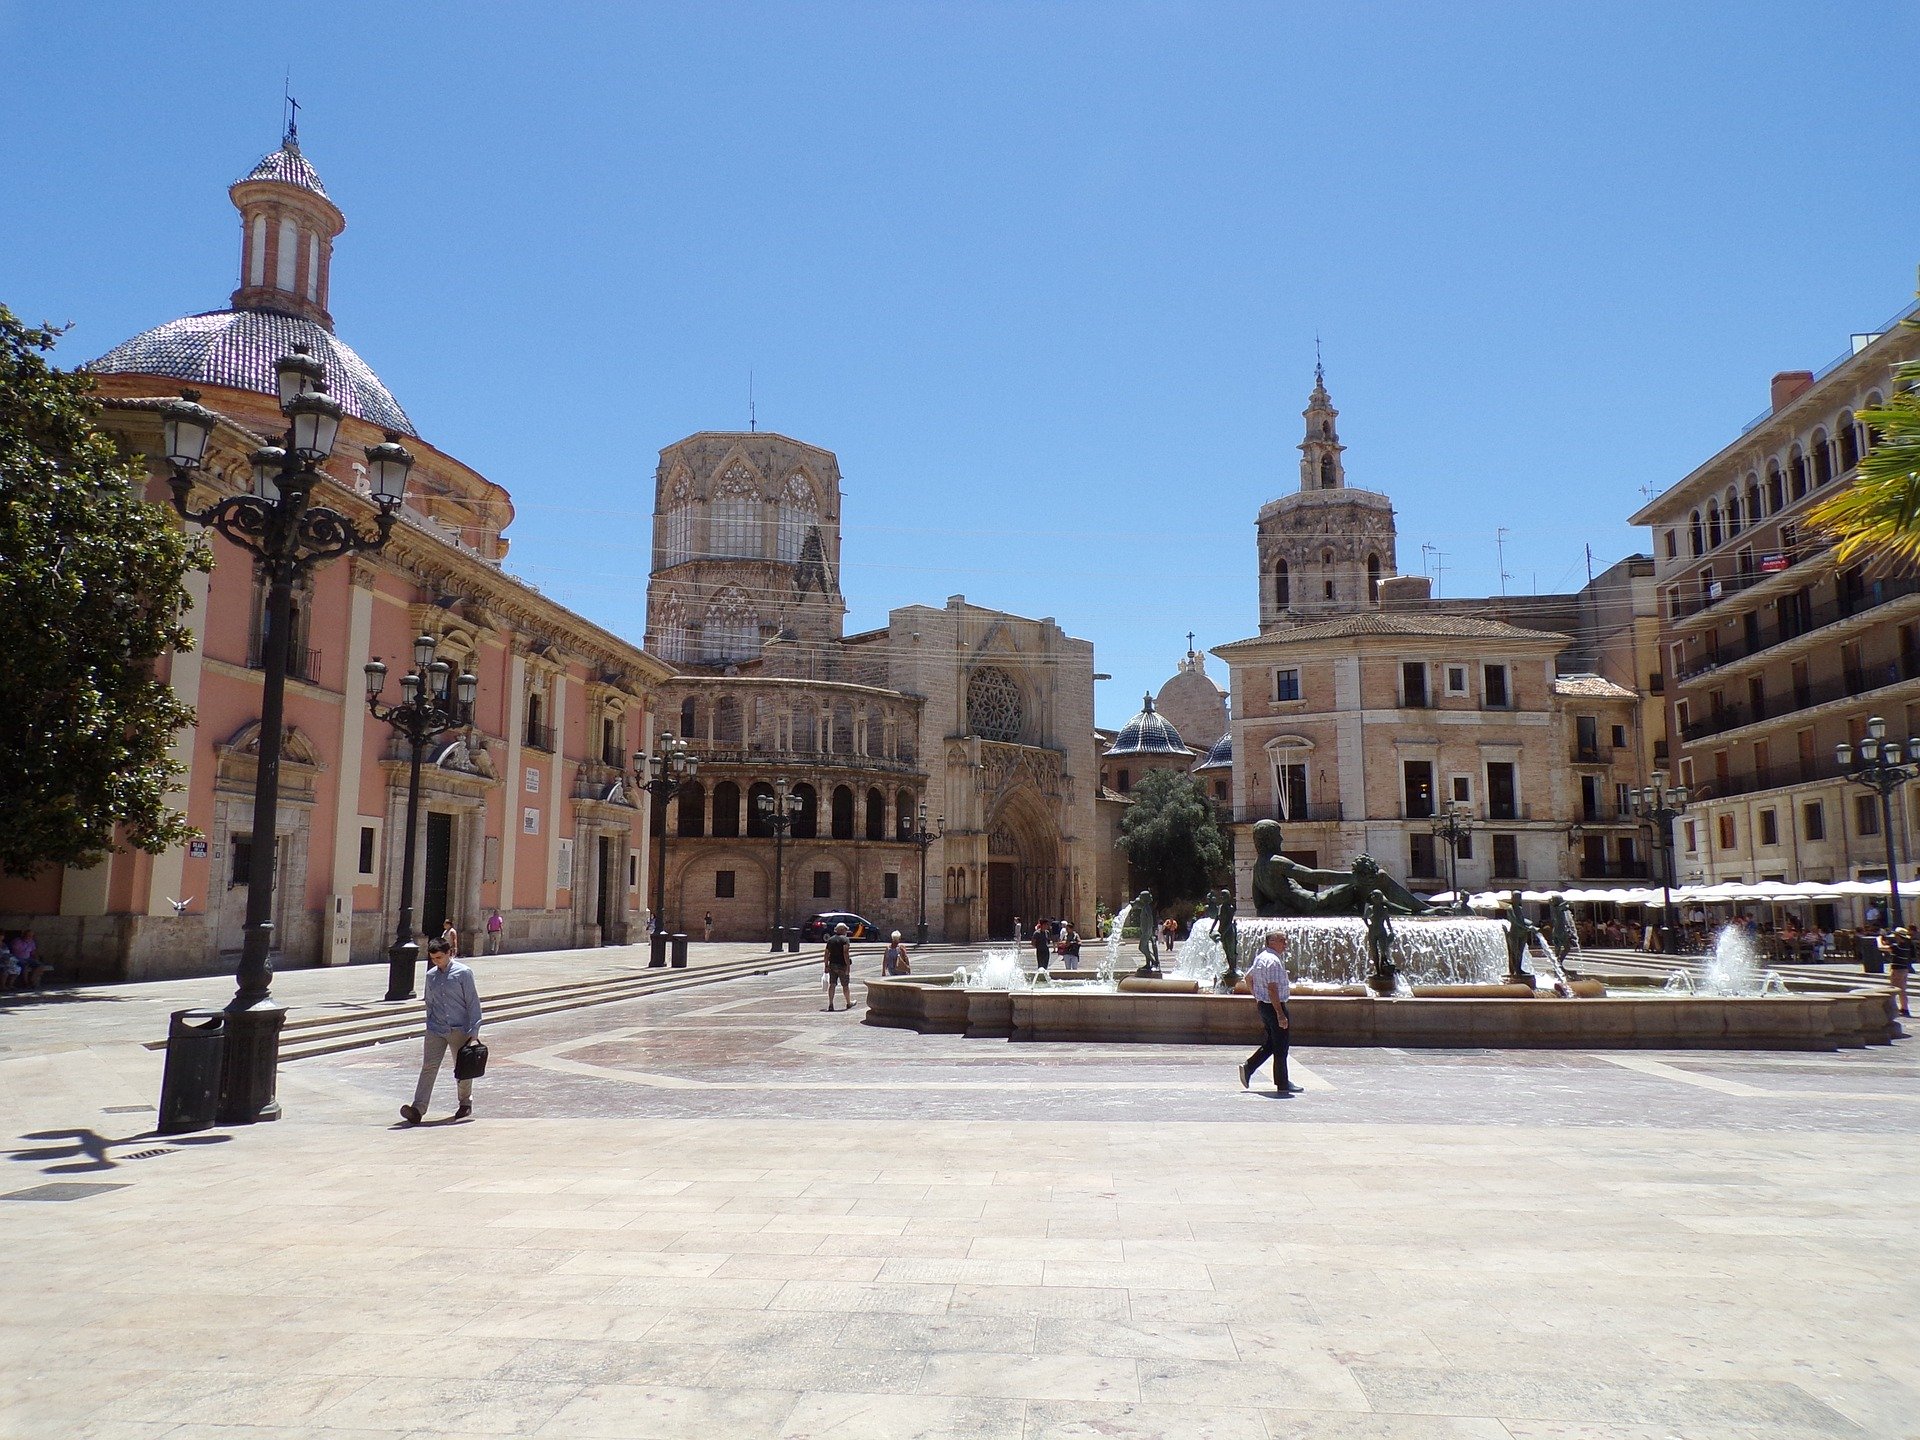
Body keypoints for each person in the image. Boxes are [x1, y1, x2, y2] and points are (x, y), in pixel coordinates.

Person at [400, 938, 482, 1124]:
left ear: (449, 953)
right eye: (433, 958)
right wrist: (429, 1024)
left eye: (439, 957)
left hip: (459, 1028)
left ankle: (465, 1103)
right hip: (436, 1029)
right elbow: (429, 1001)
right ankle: (418, 1109)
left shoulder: (463, 973)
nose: (436, 961)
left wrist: (474, 1029)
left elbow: (472, 1001)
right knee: (428, 1067)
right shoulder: (431, 976)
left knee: (462, 1068)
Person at [1237, 930, 1300, 1095]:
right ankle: (1282, 1083)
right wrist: (1280, 1013)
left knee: (1273, 1042)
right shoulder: (1272, 961)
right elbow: (1273, 989)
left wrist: (1257, 997)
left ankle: (1249, 1067)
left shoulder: (1261, 957)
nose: (1286, 944)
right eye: (1282, 940)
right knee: (1281, 1046)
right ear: (1272, 941)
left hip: (1264, 1006)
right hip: (1274, 1006)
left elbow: (1247, 978)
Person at [1880, 926, 1914, 1019]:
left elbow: (1881, 947)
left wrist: (1879, 939)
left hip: (1897, 970)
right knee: (1902, 990)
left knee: (1893, 989)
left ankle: (1893, 1008)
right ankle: (1904, 1008)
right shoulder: (1906, 946)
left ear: (1899, 936)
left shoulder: (1897, 946)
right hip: (1904, 969)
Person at [823, 922, 854, 1011]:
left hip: (832, 964)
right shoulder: (845, 940)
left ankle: (831, 1003)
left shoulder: (830, 940)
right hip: (842, 965)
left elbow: (826, 953)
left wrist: (826, 965)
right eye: (845, 930)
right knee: (845, 985)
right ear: (842, 930)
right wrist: (848, 965)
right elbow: (846, 953)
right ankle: (848, 1003)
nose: (846, 931)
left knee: (832, 984)